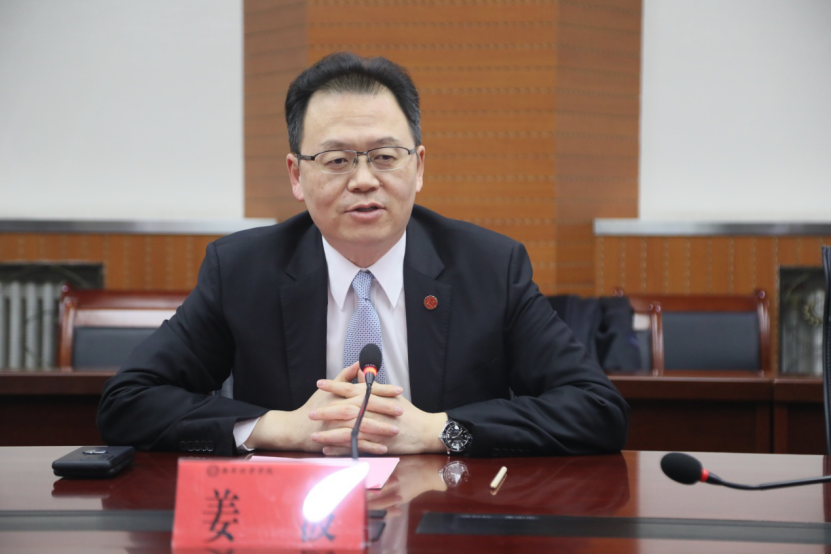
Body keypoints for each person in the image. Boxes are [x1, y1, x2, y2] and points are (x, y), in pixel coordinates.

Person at [97, 52, 629, 458]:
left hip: (444, 520)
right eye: (337, 160)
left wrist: (440, 430)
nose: (364, 180)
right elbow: (128, 402)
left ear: (418, 167)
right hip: (293, 525)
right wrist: (280, 427)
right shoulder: (242, 270)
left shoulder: (490, 267)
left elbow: (597, 408)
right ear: (296, 176)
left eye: (384, 156)